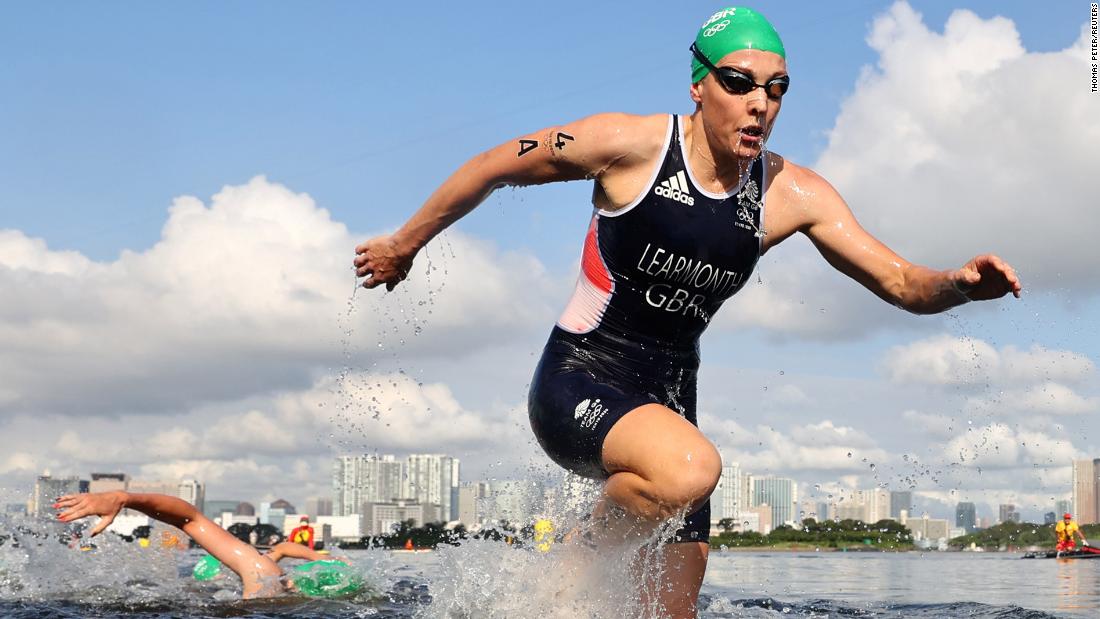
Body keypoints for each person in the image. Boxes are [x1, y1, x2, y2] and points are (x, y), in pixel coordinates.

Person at [353, 6, 1021, 617]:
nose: (761, 105)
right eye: (740, 83)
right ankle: (553, 586)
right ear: (698, 85)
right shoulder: (628, 146)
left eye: (778, 88)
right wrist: (403, 245)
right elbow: (497, 163)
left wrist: (960, 284)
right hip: (576, 381)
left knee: (673, 609)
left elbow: (902, 282)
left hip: (669, 411)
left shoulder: (791, 193)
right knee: (691, 469)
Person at [54, 491, 351, 599]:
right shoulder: (265, 580)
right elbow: (190, 520)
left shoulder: (265, 582)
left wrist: (126, 498)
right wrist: (124, 498)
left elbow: (190, 520)